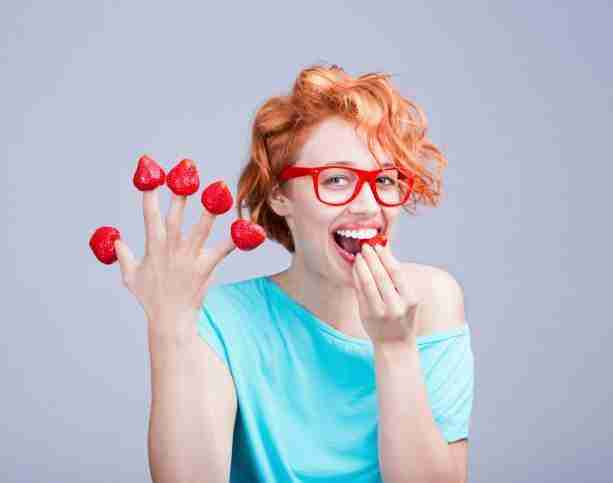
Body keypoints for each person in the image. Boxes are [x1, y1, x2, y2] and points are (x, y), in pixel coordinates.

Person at [114, 63, 475, 483]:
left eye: (385, 180)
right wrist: (169, 328)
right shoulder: (220, 318)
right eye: (336, 179)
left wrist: (395, 347)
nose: (368, 205)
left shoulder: (433, 300)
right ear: (279, 196)